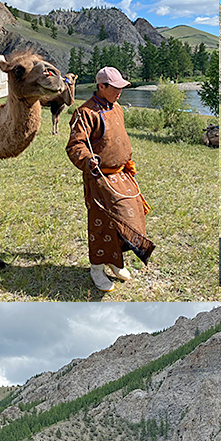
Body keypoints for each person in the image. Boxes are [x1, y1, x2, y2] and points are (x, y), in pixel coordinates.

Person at [66, 66, 154, 291]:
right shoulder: (85, 113)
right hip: (99, 178)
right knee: (102, 225)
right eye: (114, 88)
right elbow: (75, 145)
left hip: (122, 175)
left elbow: (119, 138)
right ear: (101, 86)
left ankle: (115, 263)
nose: (119, 92)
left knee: (128, 222)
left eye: (120, 87)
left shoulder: (117, 109)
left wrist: (128, 160)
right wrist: (87, 160)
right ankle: (97, 269)